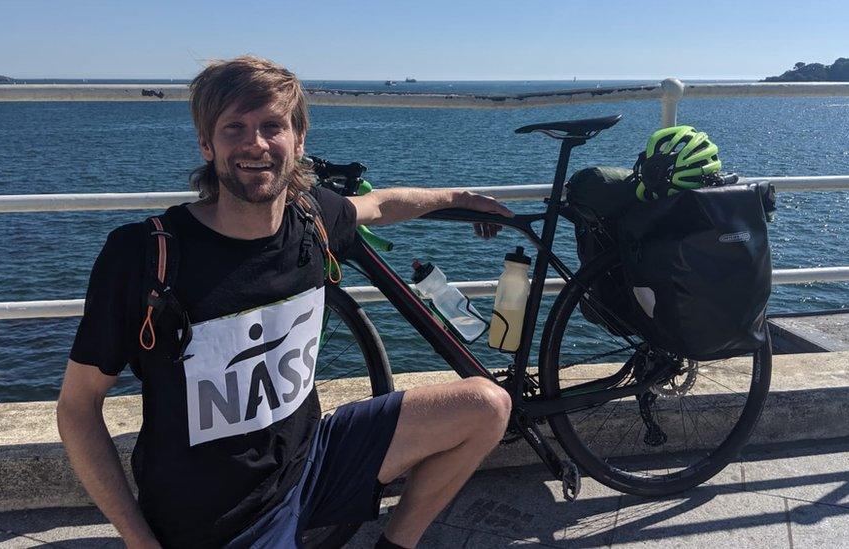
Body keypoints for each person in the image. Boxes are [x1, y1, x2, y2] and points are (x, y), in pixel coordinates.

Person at [56, 55, 515, 549]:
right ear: (206, 144)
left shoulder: (312, 219)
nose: (255, 143)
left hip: (312, 460)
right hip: (218, 518)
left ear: (299, 142)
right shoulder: (144, 255)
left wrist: (455, 197)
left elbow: (378, 204)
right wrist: (140, 542)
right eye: (235, 127)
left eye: (272, 126)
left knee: (485, 405)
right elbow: (78, 408)